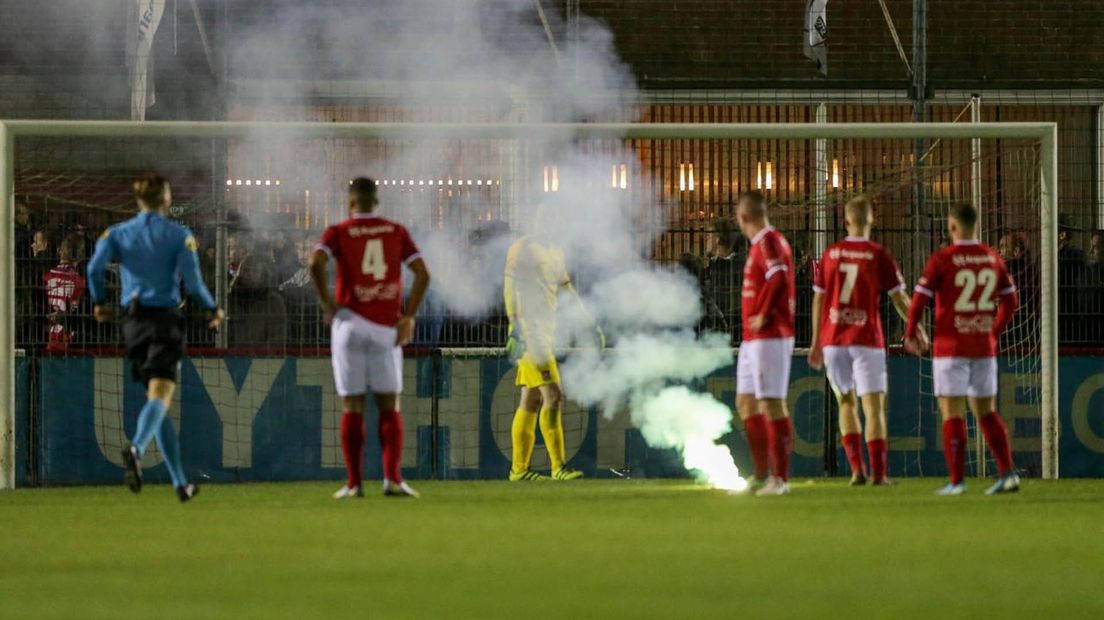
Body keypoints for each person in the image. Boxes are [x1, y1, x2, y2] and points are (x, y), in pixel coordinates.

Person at [87, 174, 224, 503]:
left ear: (138, 200)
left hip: (132, 323)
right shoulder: (179, 235)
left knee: (157, 400)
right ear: (165, 199)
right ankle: (135, 448)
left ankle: (180, 484)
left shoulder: (118, 233)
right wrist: (213, 309)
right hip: (163, 321)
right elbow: (193, 283)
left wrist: (99, 303)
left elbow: (93, 269)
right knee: (161, 395)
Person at [310, 177, 430, 499]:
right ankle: (392, 480)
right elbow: (423, 273)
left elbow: (315, 262)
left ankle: (354, 484)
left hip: (348, 324)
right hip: (385, 329)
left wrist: (327, 304)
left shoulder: (337, 231)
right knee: (389, 403)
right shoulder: (395, 230)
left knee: (352, 405)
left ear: (351, 202)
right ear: (376, 202)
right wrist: (409, 316)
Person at [904, 202, 1020, 496]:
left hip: (950, 346)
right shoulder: (992, 257)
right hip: (983, 346)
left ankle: (957, 481)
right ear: (976, 226)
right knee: (986, 411)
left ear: (952, 226)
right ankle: (1007, 474)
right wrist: (993, 330)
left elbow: (918, 301)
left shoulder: (943, 259)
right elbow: (1011, 302)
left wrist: (910, 332)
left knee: (952, 411)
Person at [807, 196, 923, 486]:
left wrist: (815, 341)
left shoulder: (831, 254)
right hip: (867, 338)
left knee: (845, 404)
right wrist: (916, 326)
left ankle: (857, 470)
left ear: (846, 222)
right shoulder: (878, 254)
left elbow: (818, 300)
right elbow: (899, 298)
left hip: (834, 339)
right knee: (873, 407)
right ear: (872, 219)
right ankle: (879, 475)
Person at [503, 205, 602, 482]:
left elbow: (566, 289)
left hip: (546, 334)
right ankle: (558, 466)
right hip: (529, 333)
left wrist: (589, 323)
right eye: (543, 217)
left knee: (531, 399)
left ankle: (519, 471)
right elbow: (509, 286)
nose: (548, 223)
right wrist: (514, 324)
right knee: (553, 395)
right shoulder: (522, 248)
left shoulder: (555, 251)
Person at [733, 191, 796, 496]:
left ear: (743, 217)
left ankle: (780, 479)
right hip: (752, 339)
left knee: (771, 403)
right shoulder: (761, 244)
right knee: (746, 402)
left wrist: (763, 313)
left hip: (770, 335)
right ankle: (760, 475)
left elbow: (779, 275)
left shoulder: (769, 241)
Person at [43, 235, 87, 352]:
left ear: (59, 251)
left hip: (44, 338)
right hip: (68, 342)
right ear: (80, 256)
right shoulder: (80, 282)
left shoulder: (45, 278)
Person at [701, 218, 743, 340]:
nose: (706, 239)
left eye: (709, 235)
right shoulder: (711, 269)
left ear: (717, 239)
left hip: (731, 334)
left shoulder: (732, 269)